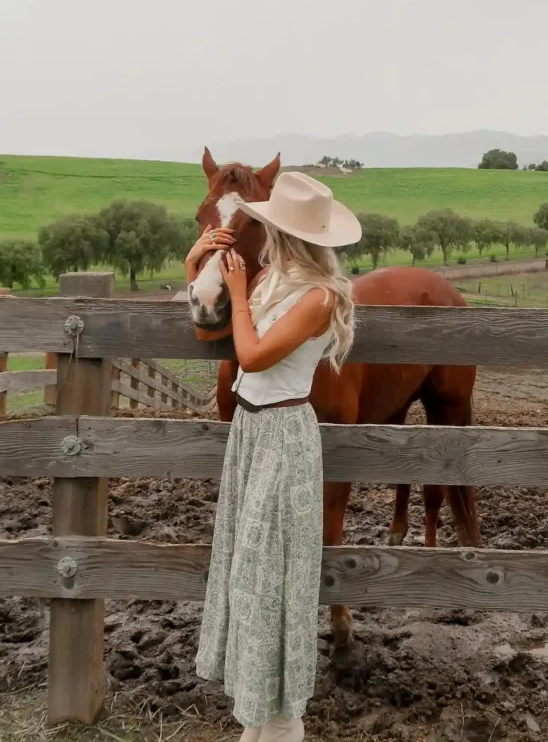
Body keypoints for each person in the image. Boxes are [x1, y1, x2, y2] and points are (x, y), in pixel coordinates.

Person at [184, 172, 361, 742]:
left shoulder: (318, 297)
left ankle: (283, 723)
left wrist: (238, 296)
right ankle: (261, 715)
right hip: (251, 434)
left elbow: (253, 357)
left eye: (265, 226)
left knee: (272, 574)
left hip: (283, 435)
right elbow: (206, 329)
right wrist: (197, 259)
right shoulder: (276, 284)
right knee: (248, 568)